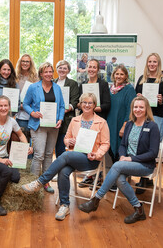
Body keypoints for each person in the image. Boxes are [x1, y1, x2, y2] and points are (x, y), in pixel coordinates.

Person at [22, 93, 110, 221]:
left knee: (66, 154)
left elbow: (105, 144)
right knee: (63, 170)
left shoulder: (101, 122)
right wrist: (69, 142)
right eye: (84, 102)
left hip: (90, 159)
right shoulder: (74, 121)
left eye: (90, 103)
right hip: (74, 156)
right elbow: (66, 138)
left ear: (94, 105)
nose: (87, 105)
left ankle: (40, 181)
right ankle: (65, 205)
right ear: (80, 105)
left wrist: (96, 154)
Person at [78, 96, 160, 224]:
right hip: (127, 163)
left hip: (144, 165)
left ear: (146, 109)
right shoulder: (129, 124)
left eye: (141, 107)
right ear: (132, 109)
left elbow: (153, 153)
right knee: (120, 179)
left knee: (116, 166)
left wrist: (130, 158)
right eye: (135, 107)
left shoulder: (152, 126)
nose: (138, 109)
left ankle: (96, 200)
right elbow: (122, 145)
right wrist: (122, 156)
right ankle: (139, 209)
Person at [0, 96, 33, 216]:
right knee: (6, 172)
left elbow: (21, 135)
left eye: (6, 106)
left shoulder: (12, 121)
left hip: (4, 157)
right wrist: (0, 160)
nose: (3, 108)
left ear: (9, 107)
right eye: (1, 106)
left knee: (16, 177)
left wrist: (27, 146)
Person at [23, 62, 65, 193]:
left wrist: (60, 119)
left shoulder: (57, 88)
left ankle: (45, 182)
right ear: (41, 74)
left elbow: (62, 106)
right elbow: (25, 104)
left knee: (48, 155)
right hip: (38, 125)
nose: (48, 74)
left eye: (50, 72)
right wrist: (32, 113)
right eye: (45, 72)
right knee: (39, 155)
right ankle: (34, 183)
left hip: (53, 126)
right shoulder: (33, 87)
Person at [134, 53, 163, 193]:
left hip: (157, 116)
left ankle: (146, 178)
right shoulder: (141, 79)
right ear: (147, 63)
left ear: (158, 63)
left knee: (153, 146)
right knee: (141, 144)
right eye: (150, 61)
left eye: (154, 62)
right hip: (142, 116)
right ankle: (144, 177)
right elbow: (136, 95)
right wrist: (138, 97)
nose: (152, 64)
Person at [78, 58, 111, 187]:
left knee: (96, 149)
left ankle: (99, 177)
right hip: (85, 121)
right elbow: (80, 103)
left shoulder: (103, 85)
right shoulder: (83, 84)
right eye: (89, 67)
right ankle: (89, 176)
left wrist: (91, 108)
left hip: (97, 122)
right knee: (85, 148)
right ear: (86, 68)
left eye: (94, 67)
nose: (91, 69)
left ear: (98, 70)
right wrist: (81, 105)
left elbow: (107, 105)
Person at [107, 64, 136, 163]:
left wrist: (124, 126)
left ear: (126, 76)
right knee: (110, 150)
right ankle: (114, 175)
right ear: (113, 75)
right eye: (117, 74)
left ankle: (122, 176)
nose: (119, 76)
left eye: (122, 74)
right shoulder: (109, 89)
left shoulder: (129, 89)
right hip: (110, 124)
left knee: (121, 151)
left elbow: (130, 109)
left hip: (122, 125)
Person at [54, 60, 80, 157]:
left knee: (61, 145)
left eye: (65, 68)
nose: (62, 70)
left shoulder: (72, 83)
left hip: (66, 119)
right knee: (53, 145)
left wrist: (63, 110)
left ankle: (63, 169)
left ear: (68, 70)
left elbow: (74, 101)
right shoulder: (52, 82)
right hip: (52, 118)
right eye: (60, 67)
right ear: (57, 69)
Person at [15, 54, 38, 135]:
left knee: (34, 142)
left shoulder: (36, 78)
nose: (25, 63)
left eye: (27, 61)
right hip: (21, 115)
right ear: (20, 63)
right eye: (23, 61)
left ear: (30, 63)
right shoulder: (16, 77)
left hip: (33, 113)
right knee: (23, 142)